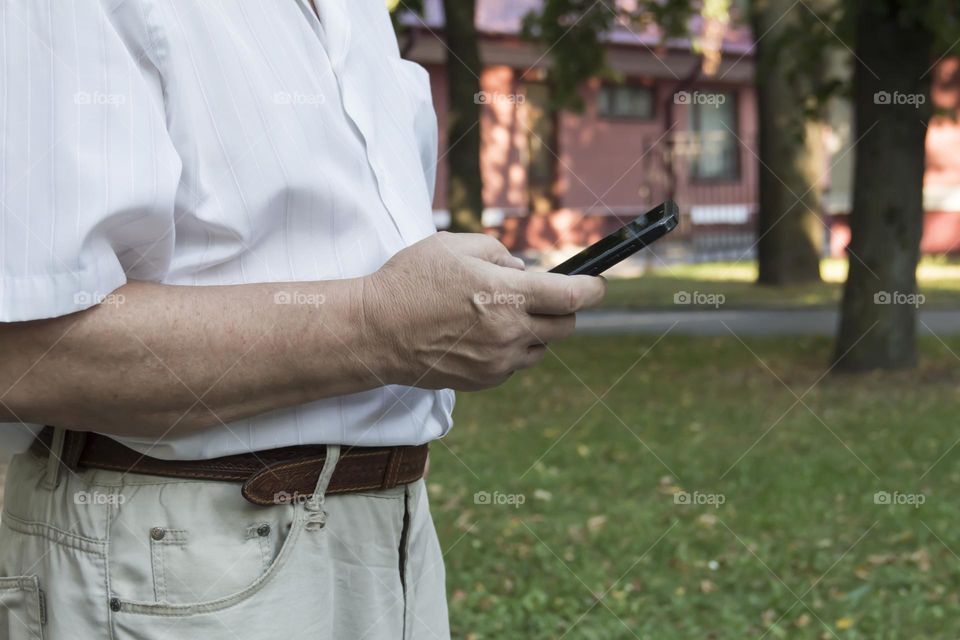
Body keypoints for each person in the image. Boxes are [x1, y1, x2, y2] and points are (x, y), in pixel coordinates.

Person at [0, 0, 606, 638]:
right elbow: (26, 356)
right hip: (179, 552)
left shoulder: (360, 12)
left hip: (394, 531)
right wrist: (382, 328)